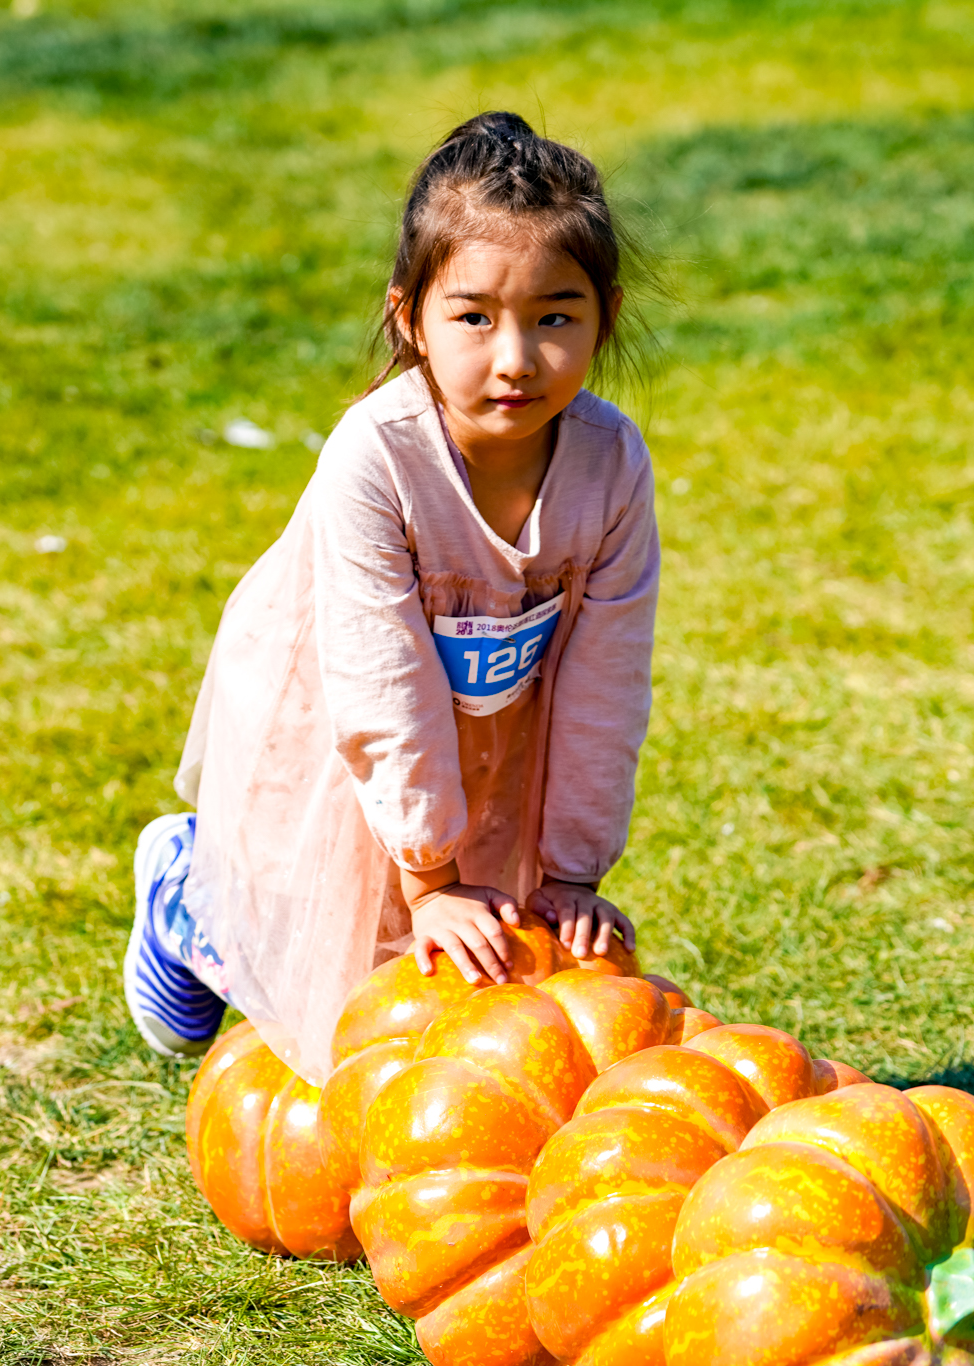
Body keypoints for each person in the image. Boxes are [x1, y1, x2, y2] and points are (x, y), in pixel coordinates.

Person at [123, 112, 659, 1085]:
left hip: (493, 715)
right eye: (473, 317)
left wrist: (573, 870)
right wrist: (432, 878)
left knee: (454, 979)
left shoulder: (610, 462)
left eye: (554, 315)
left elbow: (605, 684)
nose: (514, 357)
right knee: (330, 988)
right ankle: (186, 900)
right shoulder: (376, 459)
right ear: (409, 314)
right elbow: (381, 688)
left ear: (604, 315)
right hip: (338, 702)